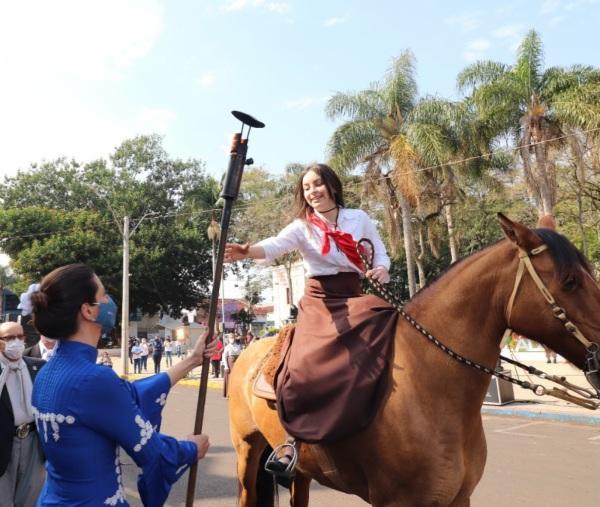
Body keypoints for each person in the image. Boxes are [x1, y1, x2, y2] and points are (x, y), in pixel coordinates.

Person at [225, 162, 396, 478]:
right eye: (306, 187)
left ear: (332, 185)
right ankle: (292, 439)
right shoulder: (303, 226)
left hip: (355, 293)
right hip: (320, 300)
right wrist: (248, 251)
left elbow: (381, 253)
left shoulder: (359, 219)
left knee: (393, 329)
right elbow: (275, 245)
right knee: (307, 360)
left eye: (317, 184)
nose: (312, 191)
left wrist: (382, 269)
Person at [30, 263, 214, 506]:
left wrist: (191, 361)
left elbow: (129, 395)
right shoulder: (94, 379)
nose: (109, 301)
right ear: (88, 310)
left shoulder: (46, 372)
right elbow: (152, 451)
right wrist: (190, 449)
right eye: (103, 295)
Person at [0, 321, 46, 506]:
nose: (16, 342)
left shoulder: (38, 366)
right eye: (9, 338)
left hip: (33, 441)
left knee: (30, 497)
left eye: (20, 337)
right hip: (4, 443)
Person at [221, 334, 242, 398]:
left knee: (237, 379)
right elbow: (224, 357)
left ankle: (237, 393)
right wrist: (226, 366)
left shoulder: (238, 346)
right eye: (230, 338)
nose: (231, 339)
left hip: (237, 363)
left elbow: (240, 354)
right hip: (230, 364)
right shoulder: (227, 347)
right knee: (230, 379)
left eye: (232, 337)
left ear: (235, 338)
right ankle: (229, 393)